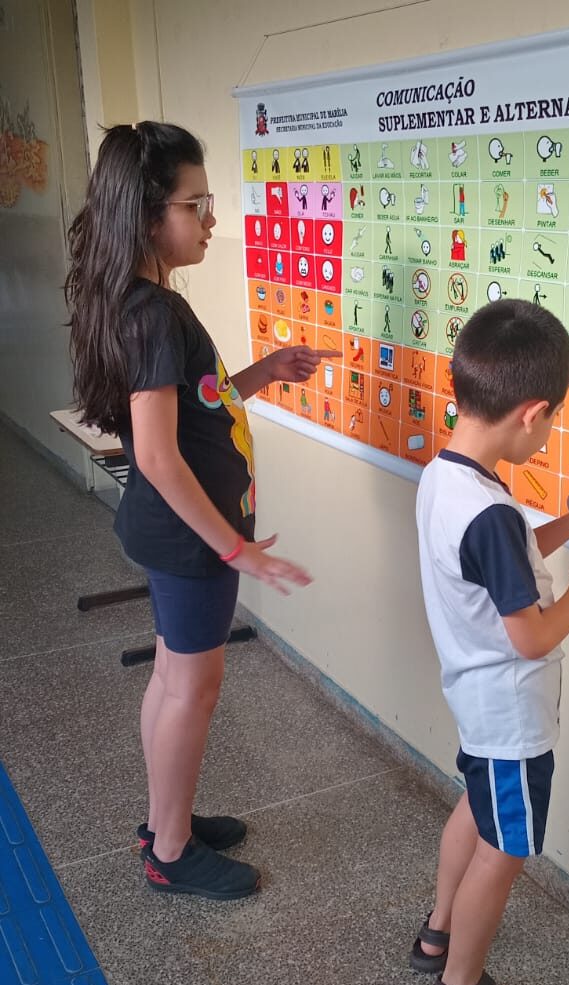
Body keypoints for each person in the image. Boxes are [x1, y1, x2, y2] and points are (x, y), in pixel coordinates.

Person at [65, 121, 340, 901]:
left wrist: (264, 371)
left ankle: (166, 819)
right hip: (192, 543)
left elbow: (197, 406)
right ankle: (171, 852)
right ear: (150, 214)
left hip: (177, 536)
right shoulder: (153, 312)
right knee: (194, 687)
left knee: (172, 677)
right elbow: (158, 455)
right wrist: (234, 548)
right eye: (196, 204)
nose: (212, 218)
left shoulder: (144, 303)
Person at [412, 299, 569, 985]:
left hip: (475, 700)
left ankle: (439, 932)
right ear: (533, 413)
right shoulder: (490, 513)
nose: (548, 435)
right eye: (553, 422)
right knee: (505, 848)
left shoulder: (447, 478)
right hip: (511, 716)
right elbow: (532, 638)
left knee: (475, 809)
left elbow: (505, 558)